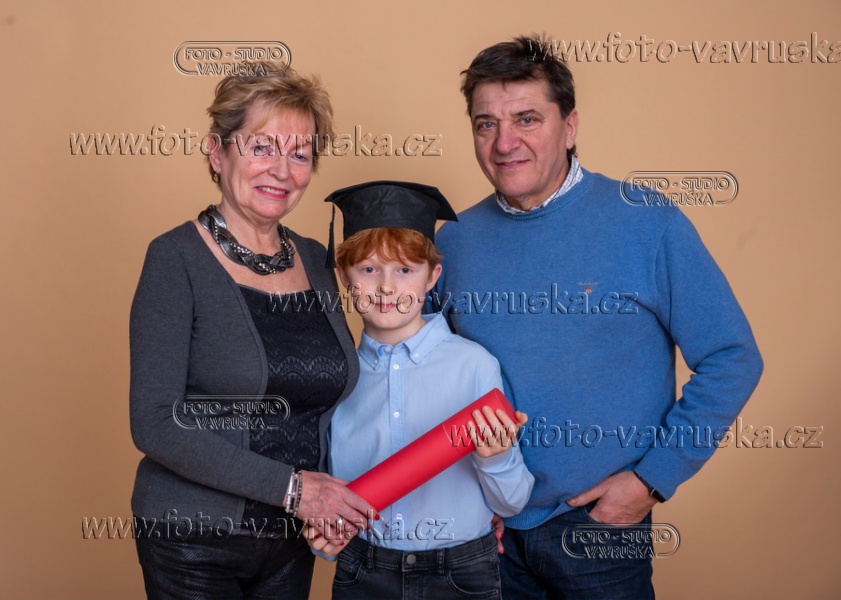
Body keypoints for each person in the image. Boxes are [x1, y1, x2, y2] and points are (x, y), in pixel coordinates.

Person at [431, 36, 764, 598]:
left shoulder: (647, 223)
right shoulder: (454, 242)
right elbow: (426, 375)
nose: (505, 143)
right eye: (486, 124)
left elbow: (732, 358)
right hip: (489, 532)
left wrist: (652, 480)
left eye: (527, 119)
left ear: (570, 126)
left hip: (601, 530)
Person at [129, 64, 374, 599]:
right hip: (194, 538)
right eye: (261, 147)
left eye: (300, 154)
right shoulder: (174, 259)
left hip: (290, 540)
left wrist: (336, 501)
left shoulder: (316, 259)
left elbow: (333, 400)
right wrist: (295, 490)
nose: (281, 170)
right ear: (217, 153)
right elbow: (154, 423)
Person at [306, 181, 535, 599]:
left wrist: (496, 457)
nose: (387, 287)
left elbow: (512, 502)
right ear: (343, 275)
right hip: (363, 571)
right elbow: (327, 497)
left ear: (433, 277)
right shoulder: (336, 376)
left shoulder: (474, 366)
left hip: (462, 573)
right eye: (369, 269)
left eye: (405, 270)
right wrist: (325, 536)